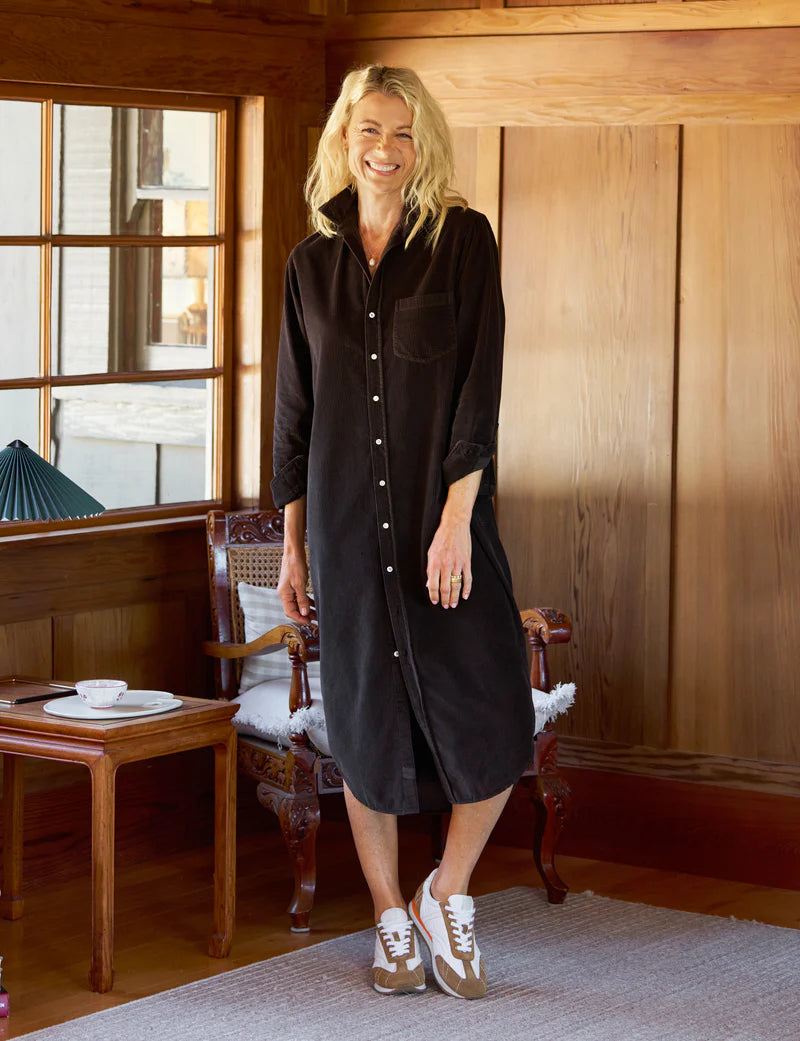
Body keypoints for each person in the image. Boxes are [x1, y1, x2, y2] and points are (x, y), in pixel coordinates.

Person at [273, 64, 534, 999]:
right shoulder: (310, 266)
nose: (384, 152)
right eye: (369, 132)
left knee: (499, 708)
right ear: (345, 138)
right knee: (364, 728)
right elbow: (294, 419)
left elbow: (479, 393)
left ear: (425, 144)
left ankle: (444, 893)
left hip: (442, 531)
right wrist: (295, 545)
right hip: (344, 535)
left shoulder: (463, 242)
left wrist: (460, 519)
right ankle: (389, 915)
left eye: (403, 134)